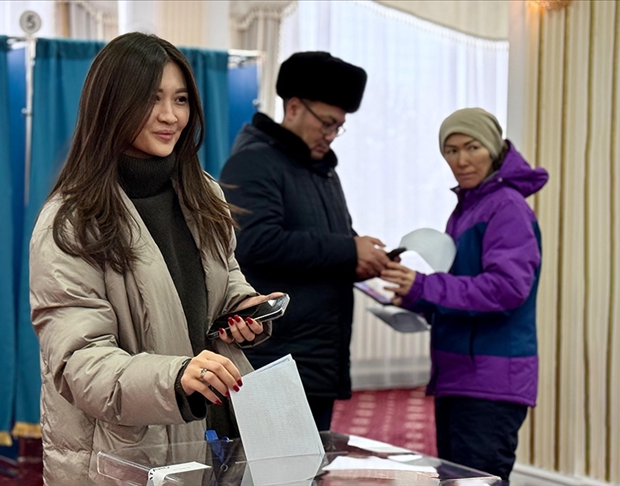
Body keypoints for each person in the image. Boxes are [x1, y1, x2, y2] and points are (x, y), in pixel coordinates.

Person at [28, 32, 282, 485]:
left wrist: (243, 309)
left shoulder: (203, 192)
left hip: (216, 435)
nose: (170, 116)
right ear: (112, 105)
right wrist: (176, 377)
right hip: (121, 457)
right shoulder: (72, 222)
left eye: (180, 99)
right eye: (151, 99)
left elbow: (224, 279)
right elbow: (80, 364)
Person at [220, 51, 391, 431]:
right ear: (294, 108)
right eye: (327, 123)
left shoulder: (322, 171)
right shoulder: (253, 163)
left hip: (317, 356)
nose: (331, 135)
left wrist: (361, 259)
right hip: (274, 357)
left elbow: (325, 241)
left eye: (338, 127)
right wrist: (348, 251)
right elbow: (254, 243)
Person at [381, 107, 548, 483]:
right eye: (451, 150)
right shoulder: (469, 208)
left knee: (474, 481)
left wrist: (424, 286)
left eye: (472, 147)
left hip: (491, 380)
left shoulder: (507, 208)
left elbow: (506, 290)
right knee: (457, 479)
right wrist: (414, 295)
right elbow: (464, 289)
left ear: (493, 148)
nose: (461, 160)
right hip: (461, 375)